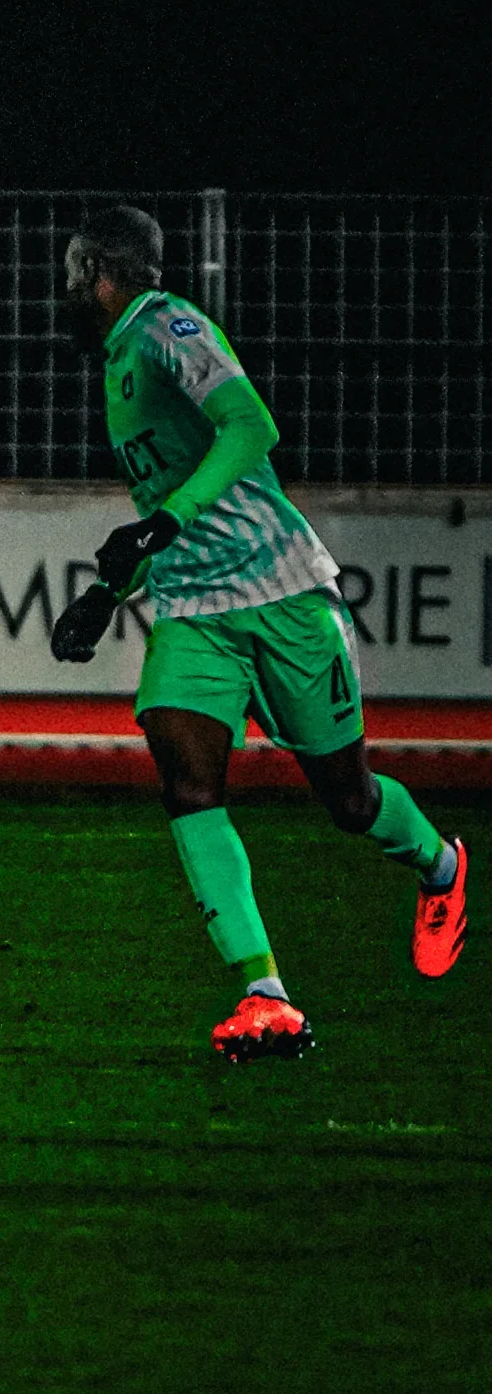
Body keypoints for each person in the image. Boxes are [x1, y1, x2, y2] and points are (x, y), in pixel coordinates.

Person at [50, 204, 467, 1059]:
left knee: (349, 801)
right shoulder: (120, 359)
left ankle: (442, 867)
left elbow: (252, 427)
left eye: (69, 277)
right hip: (193, 609)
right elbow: (161, 508)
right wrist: (107, 591)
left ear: (100, 272)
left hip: (280, 593)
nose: (62, 295)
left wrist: (163, 527)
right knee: (184, 776)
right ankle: (264, 991)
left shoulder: (169, 325)